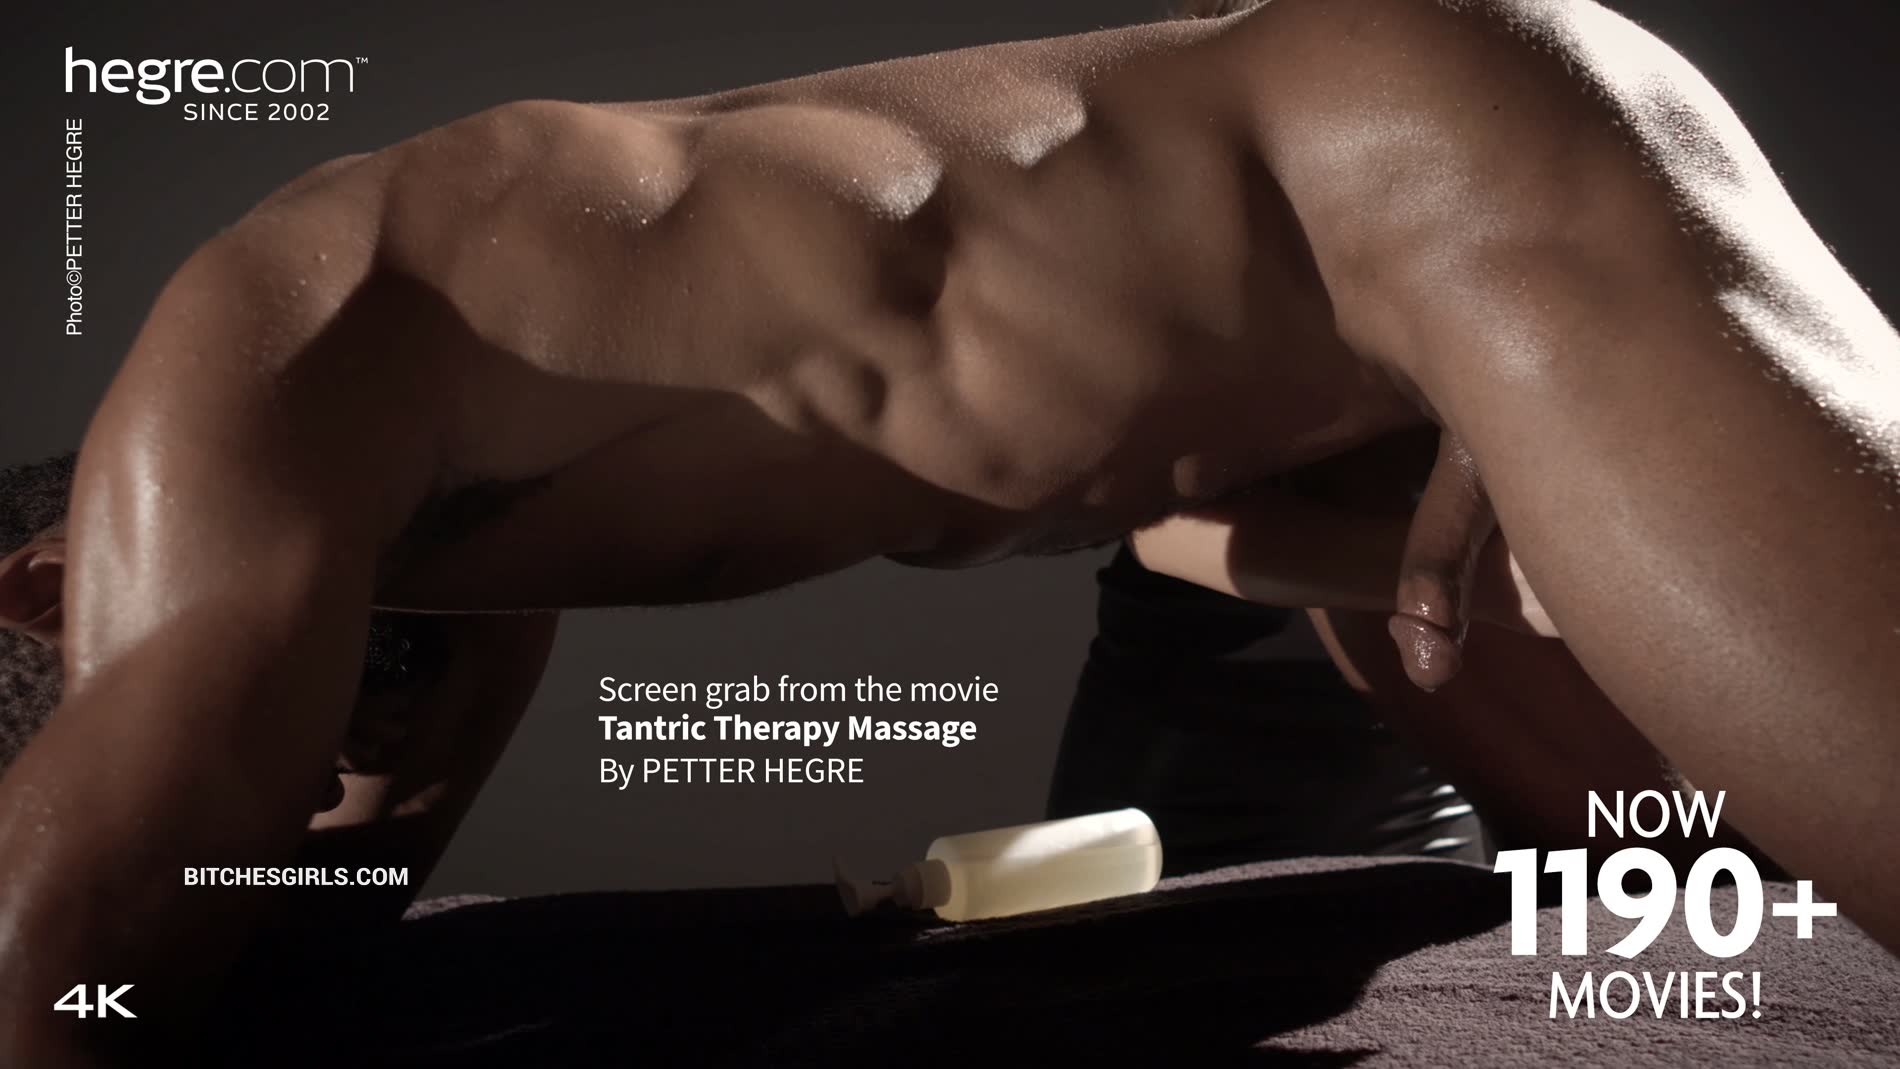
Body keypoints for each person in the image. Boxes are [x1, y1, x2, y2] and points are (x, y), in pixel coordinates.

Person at [4, 0, 1899, 1060]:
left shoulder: (236, 392)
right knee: (1686, 896)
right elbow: (308, 917)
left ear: (41, 591)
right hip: (1313, 410)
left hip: (1427, 164)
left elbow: (70, 930)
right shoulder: (433, 507)